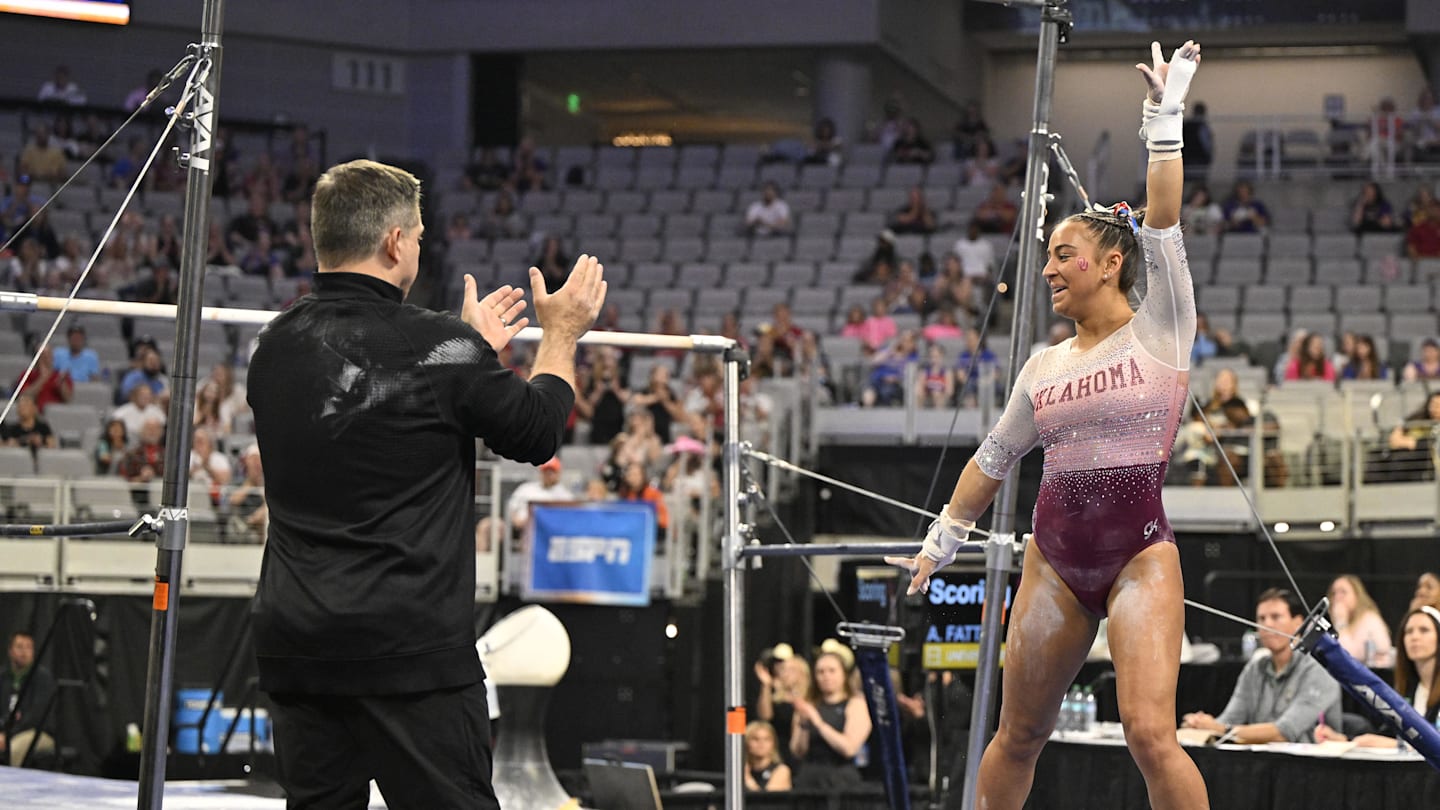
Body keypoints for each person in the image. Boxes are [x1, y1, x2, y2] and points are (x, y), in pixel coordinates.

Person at [888, 41, 1210, 809]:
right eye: (1047, 256)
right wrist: (942, 538)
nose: (1049, 268)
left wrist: (1164, 121)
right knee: (1018, 735)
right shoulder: (1043, 365)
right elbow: (994, 457)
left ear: (1111, 263)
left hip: (1139, 557)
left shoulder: (1162, 327)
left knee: (1150, 735)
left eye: (1065, 254)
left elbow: (1163, 219)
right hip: (1054, 561)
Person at [247, 159, 605, 809]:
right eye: (416, 235)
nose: (418, 245)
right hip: (408, 655)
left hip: (300, 647)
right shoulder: (438, 347)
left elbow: (379, 416)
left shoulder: (274, 345)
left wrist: (468, 353)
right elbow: (536, 432)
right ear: (394, 243)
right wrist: (561, 333)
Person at [1181, 588, 1342, 744]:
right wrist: (1200, 724)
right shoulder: (1255, 668)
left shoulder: (1319, 669)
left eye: (1276, 617)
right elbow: (1229, 719)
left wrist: (1220, 729)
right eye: (1262, 618)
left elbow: (1284, 732)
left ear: (1298, 623)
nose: (1267, 624)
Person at [1315, 605, 1440, 746]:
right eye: (1409, 631)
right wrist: (1345, 740)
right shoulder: (1408, 688)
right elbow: (1387, 735)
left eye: (1424, 630)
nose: (1415, 637)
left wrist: (1396, 746)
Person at [789, 649, 871, 791]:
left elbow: (849, 748)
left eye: (832, 671)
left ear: (844, 674)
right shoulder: (809, 705)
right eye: (820, 672)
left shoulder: (856, 704)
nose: (826, 676)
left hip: (841, 778)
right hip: (809, 777)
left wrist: (818, 723)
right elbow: (797, 751)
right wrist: (804, 724)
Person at [1, 631, 58, 767]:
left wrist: (8, 735)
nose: (24, 652)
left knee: (13, 749)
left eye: (28, 647)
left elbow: (35, 717)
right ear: (10, 651)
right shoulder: (3, 677)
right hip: (4, 731)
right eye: (20, 647)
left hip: (37, 733)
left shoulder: (43, 678)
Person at [1326, 575, 1393, 667]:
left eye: (1343, 592)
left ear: (1357, 595)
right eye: (1333, 593)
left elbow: (1349, 656)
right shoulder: (1329, 621)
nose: (1337, 597)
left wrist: (1341, 622)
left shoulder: (1370, 620)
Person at [503, 457, 574, 535]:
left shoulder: (565, 495)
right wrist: (516, 520)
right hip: (525, 530)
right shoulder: (526, 488)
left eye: (551, 472)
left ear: (558, 474)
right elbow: (511, 507)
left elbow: (569, 518)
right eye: (545, 472)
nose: (548, 475)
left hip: (552, 532)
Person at [743, 721, 793, 792]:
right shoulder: (740, 769)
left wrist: (747, 778)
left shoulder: (782, 770)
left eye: (766, 739)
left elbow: (768, 797)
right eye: (755, 739)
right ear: (746, 742)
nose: (761, 743)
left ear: (773, 743)